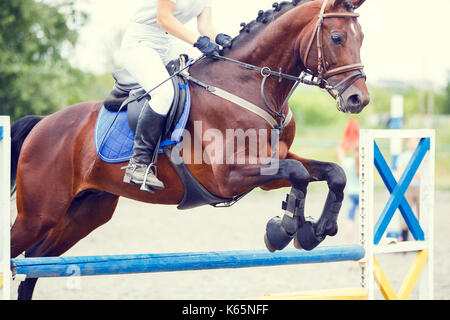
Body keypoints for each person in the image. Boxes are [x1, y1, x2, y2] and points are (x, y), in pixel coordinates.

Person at [120, 0, 232, 192]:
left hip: (167, 44)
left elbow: (205, 25)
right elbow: (164, 19)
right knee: (164, 94)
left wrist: (220, 38)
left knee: (198, 82)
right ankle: (138, 163)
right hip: (140, 43)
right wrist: (198, 42)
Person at [397, 138, 421, 241]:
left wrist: (410, 173)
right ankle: (405, 239)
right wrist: (415, 174)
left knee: (422, 214)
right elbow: (402, 173)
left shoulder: (422, 154)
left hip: (420, 187)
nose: (414, 143)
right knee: (405, 215)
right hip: (407, 188)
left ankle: (420, 240)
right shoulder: (403, 156)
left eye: (416, 140)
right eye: (412, 140)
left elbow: (422, 175)